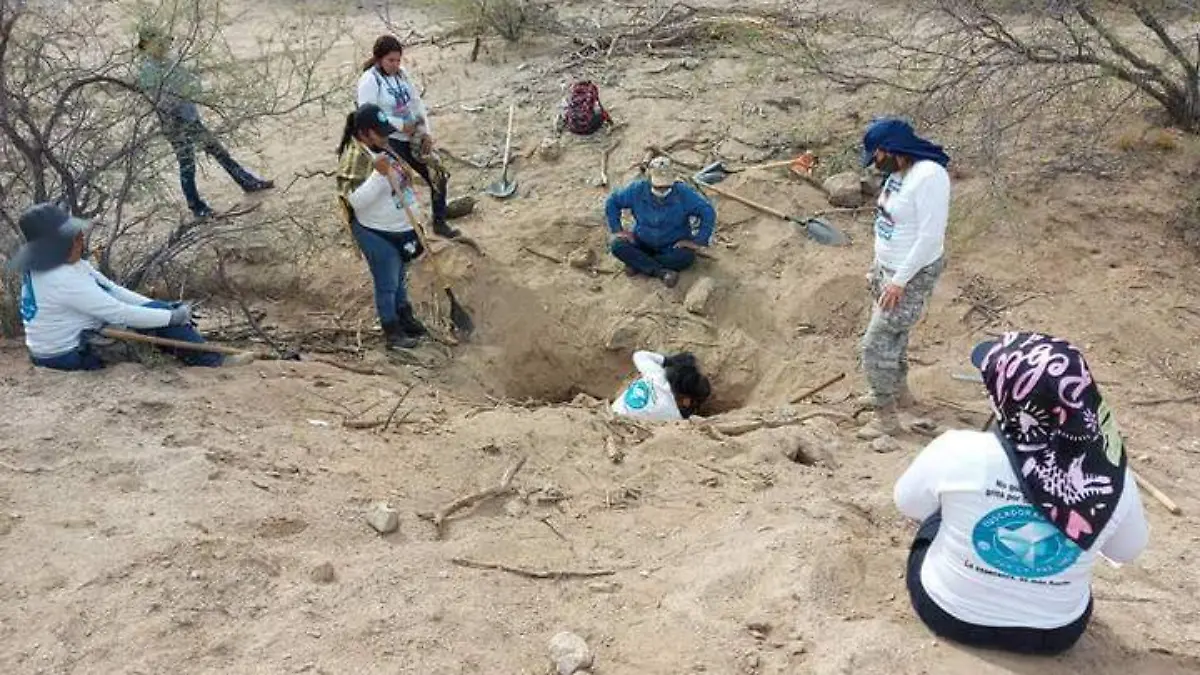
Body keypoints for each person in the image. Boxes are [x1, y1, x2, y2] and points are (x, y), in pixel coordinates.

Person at [894, 332, 1148, 655]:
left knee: (941, 511)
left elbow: (908, 502)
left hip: (948, 613)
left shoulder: (959, 450)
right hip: (1055, 633)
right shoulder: (1113, 477)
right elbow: (1126, 551)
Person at [11, 202, 242, 371]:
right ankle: (213, 361)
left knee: (157, 310)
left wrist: (161, 308)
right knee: (155, 322)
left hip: (54, 346)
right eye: (75, 238)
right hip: (66, 355)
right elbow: (118, 312)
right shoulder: (61, 279)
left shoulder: (55, 266)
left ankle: (204, 355)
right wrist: (170, 318)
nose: (81, 241)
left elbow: (112, 289)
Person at [857, 117, 951, 437]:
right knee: (893, 337)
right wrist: (878, 266)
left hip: (909, 275)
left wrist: (900, 281)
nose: (875, 164)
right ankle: (895, 392)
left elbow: (928, 238)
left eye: (877, 157)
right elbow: (889, 220)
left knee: (875, 344)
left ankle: (886, 420)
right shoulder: (900, 173)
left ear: (891, 150)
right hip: (889, 269)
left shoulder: (929, 177)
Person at [136, 26, 273, 218]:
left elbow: (190, 82)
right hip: (174, 123)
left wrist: (192, 92)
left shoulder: (170, 62)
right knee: (188, 164)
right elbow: (160, 100)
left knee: (218, 152)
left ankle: (248, 182)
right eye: (159, 43)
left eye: (164, 42)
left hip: (189, 117)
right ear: (147, 46)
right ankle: (197, 207)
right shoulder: (148, 71)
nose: (164, 45)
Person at [336, 104, 428, 351]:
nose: (386, 137)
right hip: (376, 231)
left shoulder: (383, 147)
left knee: (399, 277)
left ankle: (404, 316)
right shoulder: (355, 158)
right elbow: (354, 201)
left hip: (400, 226)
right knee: (386, 282)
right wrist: (379, 176)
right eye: (380, 133)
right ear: (365, 134)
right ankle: (392, 330)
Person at [356, 35, 459, 240]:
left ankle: (439, 221)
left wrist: (426, 131)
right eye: (390, 60)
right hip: (387, 140)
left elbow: (415, 102)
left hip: (412, 136)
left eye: (398, 60)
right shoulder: (369, 80)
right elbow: (367, 115)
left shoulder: (402, 75)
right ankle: (404, 231)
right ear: (379, 59)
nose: (395, 65)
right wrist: (401, 125)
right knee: (399, 187)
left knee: (438, 173)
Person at [604, 157, 715, 288]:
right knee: (617, 246)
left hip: (672, 245)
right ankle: (661, 272)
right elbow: (613, 201)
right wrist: (618, 230)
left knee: (686, 257)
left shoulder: (683, 193)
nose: (661, 190)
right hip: (642, 240)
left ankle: (639, 264)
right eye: (657, 186)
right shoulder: (636, 190)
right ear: (649, 178)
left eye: (666, 186)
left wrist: (698, 241)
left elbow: (707, 211)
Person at [612, 351, 711, 421]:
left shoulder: (656, 373)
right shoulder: (673, 416)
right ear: (687, 401)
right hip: (622, 429)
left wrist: (668, 361)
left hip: (609, 413)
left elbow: (639, 355)